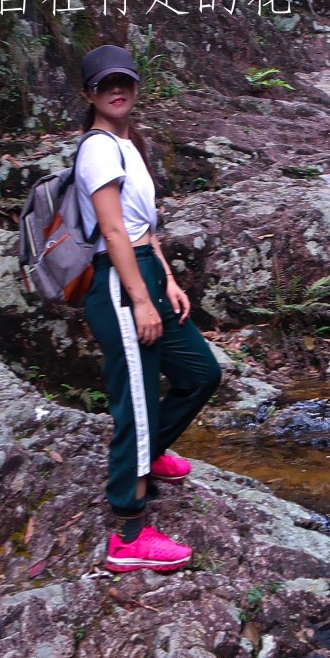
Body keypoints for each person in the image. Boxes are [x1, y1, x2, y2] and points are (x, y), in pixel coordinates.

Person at [75, 43, 221, 573]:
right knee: (134, 404)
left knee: (202, 372)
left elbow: (142, 225)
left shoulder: (127, 143)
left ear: (136, 88)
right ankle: (128, 535)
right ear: (88, 93)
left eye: (126, 82)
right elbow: (112, 231)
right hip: (118, 281)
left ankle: (151, 451)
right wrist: (140, 299)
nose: (118, 90)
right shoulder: (96, 148)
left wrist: (169, 282)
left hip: (146, 270)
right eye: (106, 83)